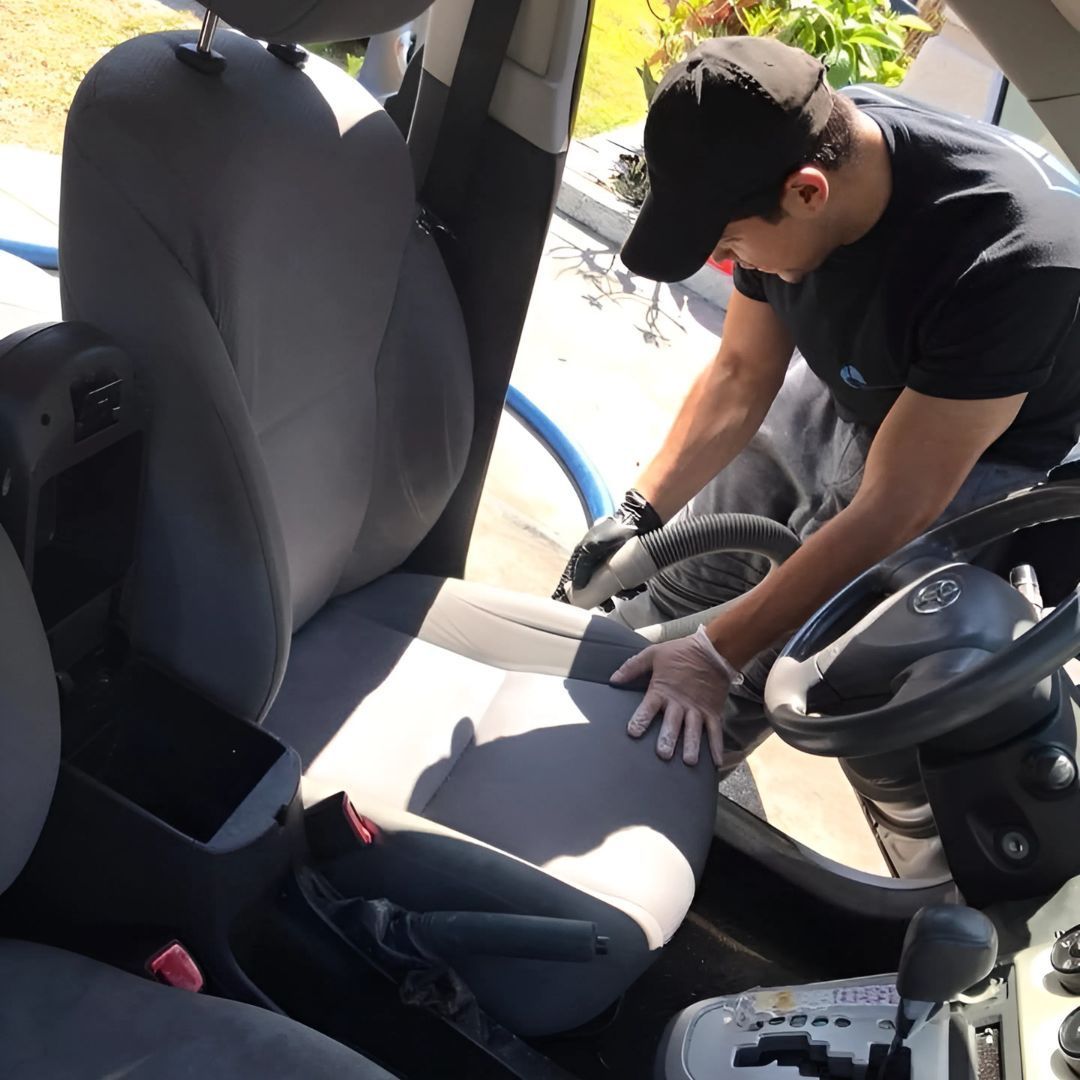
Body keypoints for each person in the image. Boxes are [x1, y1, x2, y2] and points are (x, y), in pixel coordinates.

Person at [554, 35, 1080, 771]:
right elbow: (740, 371)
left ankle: (637, 783)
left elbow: (895, 504)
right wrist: (638, 515)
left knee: (747, 668)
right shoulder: (778, 145)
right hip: (853, 378)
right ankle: (616, 690)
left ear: (808, 192)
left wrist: (716, 654)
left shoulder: (1015, 254)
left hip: (967, 451)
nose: (727, 265)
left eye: (732, 246)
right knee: (686, 577)